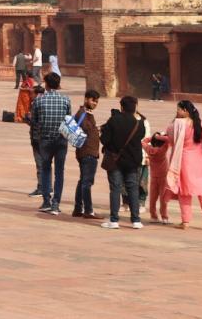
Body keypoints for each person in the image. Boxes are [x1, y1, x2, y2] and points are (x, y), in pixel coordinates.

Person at [164, 99, 202, 231]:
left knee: (185, 193)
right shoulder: (201, 123)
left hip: (185, 161)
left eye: (178, 110)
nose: (177, 112)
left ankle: (185, 221)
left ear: (185, 111)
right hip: (201, 161)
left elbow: (169, 137)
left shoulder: (178, 124)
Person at [99, 95, 146, 229]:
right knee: (132, 188)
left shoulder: (113, 120)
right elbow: (141, 136)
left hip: (115, 160)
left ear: (122, 107)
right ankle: (136, 220)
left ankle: (114, 220)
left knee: (115, 188)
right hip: (132, 160)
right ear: (135, 107)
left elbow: (104, 140)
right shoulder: (139, 123)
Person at [30, 71, 72, 215]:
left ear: (46, 85)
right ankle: (56, 204)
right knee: (59, 172)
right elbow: (68, 121)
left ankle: (47, 201)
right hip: (61, 140)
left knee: (46, 169)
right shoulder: (66, 100)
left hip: (45, 140)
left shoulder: (39, 100)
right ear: (58, 84)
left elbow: (34, 121)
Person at [71, 89, 103, 219]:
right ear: (86, 99)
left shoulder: (86, 113)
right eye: (93, 100)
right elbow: (86, 129)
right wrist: (96, 130)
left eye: (96, 101)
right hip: (87, 151)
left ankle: (78, 208)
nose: (95, 103)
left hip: (86, 151)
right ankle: (88, 210)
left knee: (83, 180)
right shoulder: (83, 113)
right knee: (87, 182)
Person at [143, 131, 173, 224]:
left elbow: (143, 142)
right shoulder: (163, 150)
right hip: (163, 176)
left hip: (153, 176)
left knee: (153, 198)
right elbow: (168, 140)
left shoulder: (148, 149)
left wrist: (152, 138)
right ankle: (164, 217)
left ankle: (153, 216)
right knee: (163, 198)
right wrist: (159, 137)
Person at [25, 85, 45, 197]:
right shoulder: (47, 102)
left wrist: (27, 118)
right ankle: (48, 187)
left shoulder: (36, 104)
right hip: (47, 137)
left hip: (37, 137)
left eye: (31, 93)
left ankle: (41, 187)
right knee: (46, 164)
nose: (30, 95)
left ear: (37, 94)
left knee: (40, 164)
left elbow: (34, 122)